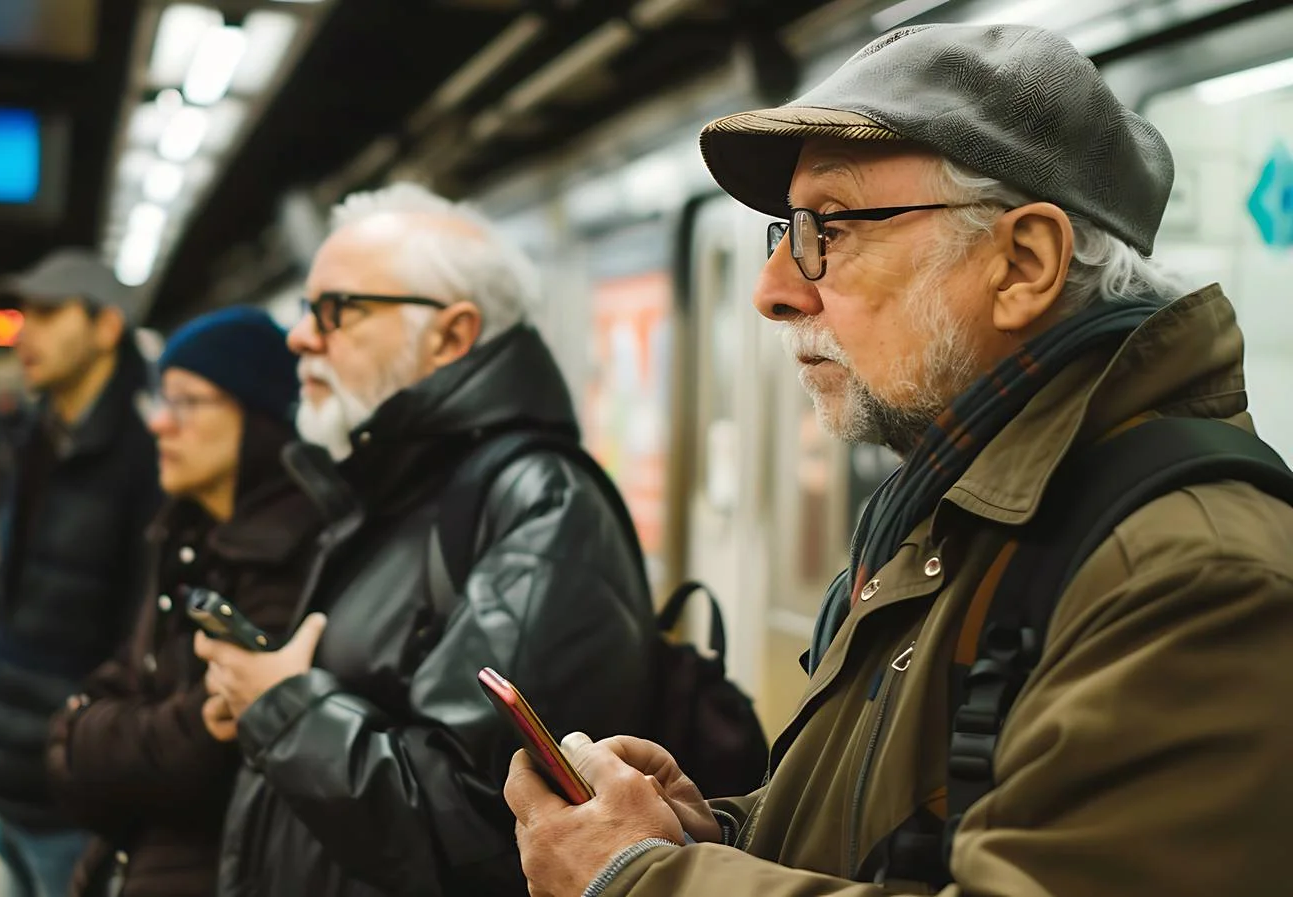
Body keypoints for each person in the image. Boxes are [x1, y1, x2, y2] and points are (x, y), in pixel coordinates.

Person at [506, 22, 1293, 897]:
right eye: (786, 232)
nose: (774, 291)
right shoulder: (957, 515)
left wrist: (638, 882)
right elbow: (909, 834)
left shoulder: (1193, 573)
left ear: (1023, 263)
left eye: (831, 228)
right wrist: (714, 831)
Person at [193, 182, 659, 897]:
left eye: (336, 310)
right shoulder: (395, 483)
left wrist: (283, 708)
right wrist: (267, 706)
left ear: (451, 334)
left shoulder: (539, 503)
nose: (300, 336)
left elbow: (476, 815)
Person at [44, 307, 320, 897]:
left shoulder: (291, 561)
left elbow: (202, 769)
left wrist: (92, 738)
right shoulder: (186, 538)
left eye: (187, 403)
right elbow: (108, 711)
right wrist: (100, 735)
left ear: (260, 418)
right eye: (161, 403)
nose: (161, 425)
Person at [0, 247, 162, 897]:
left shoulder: (149, 457)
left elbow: (143, 642)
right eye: (24, 313)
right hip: (13, 777)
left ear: (107, 328)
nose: (27, 331)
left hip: (77, 799)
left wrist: (87, 753)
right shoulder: (38, 439)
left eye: (49, 313)